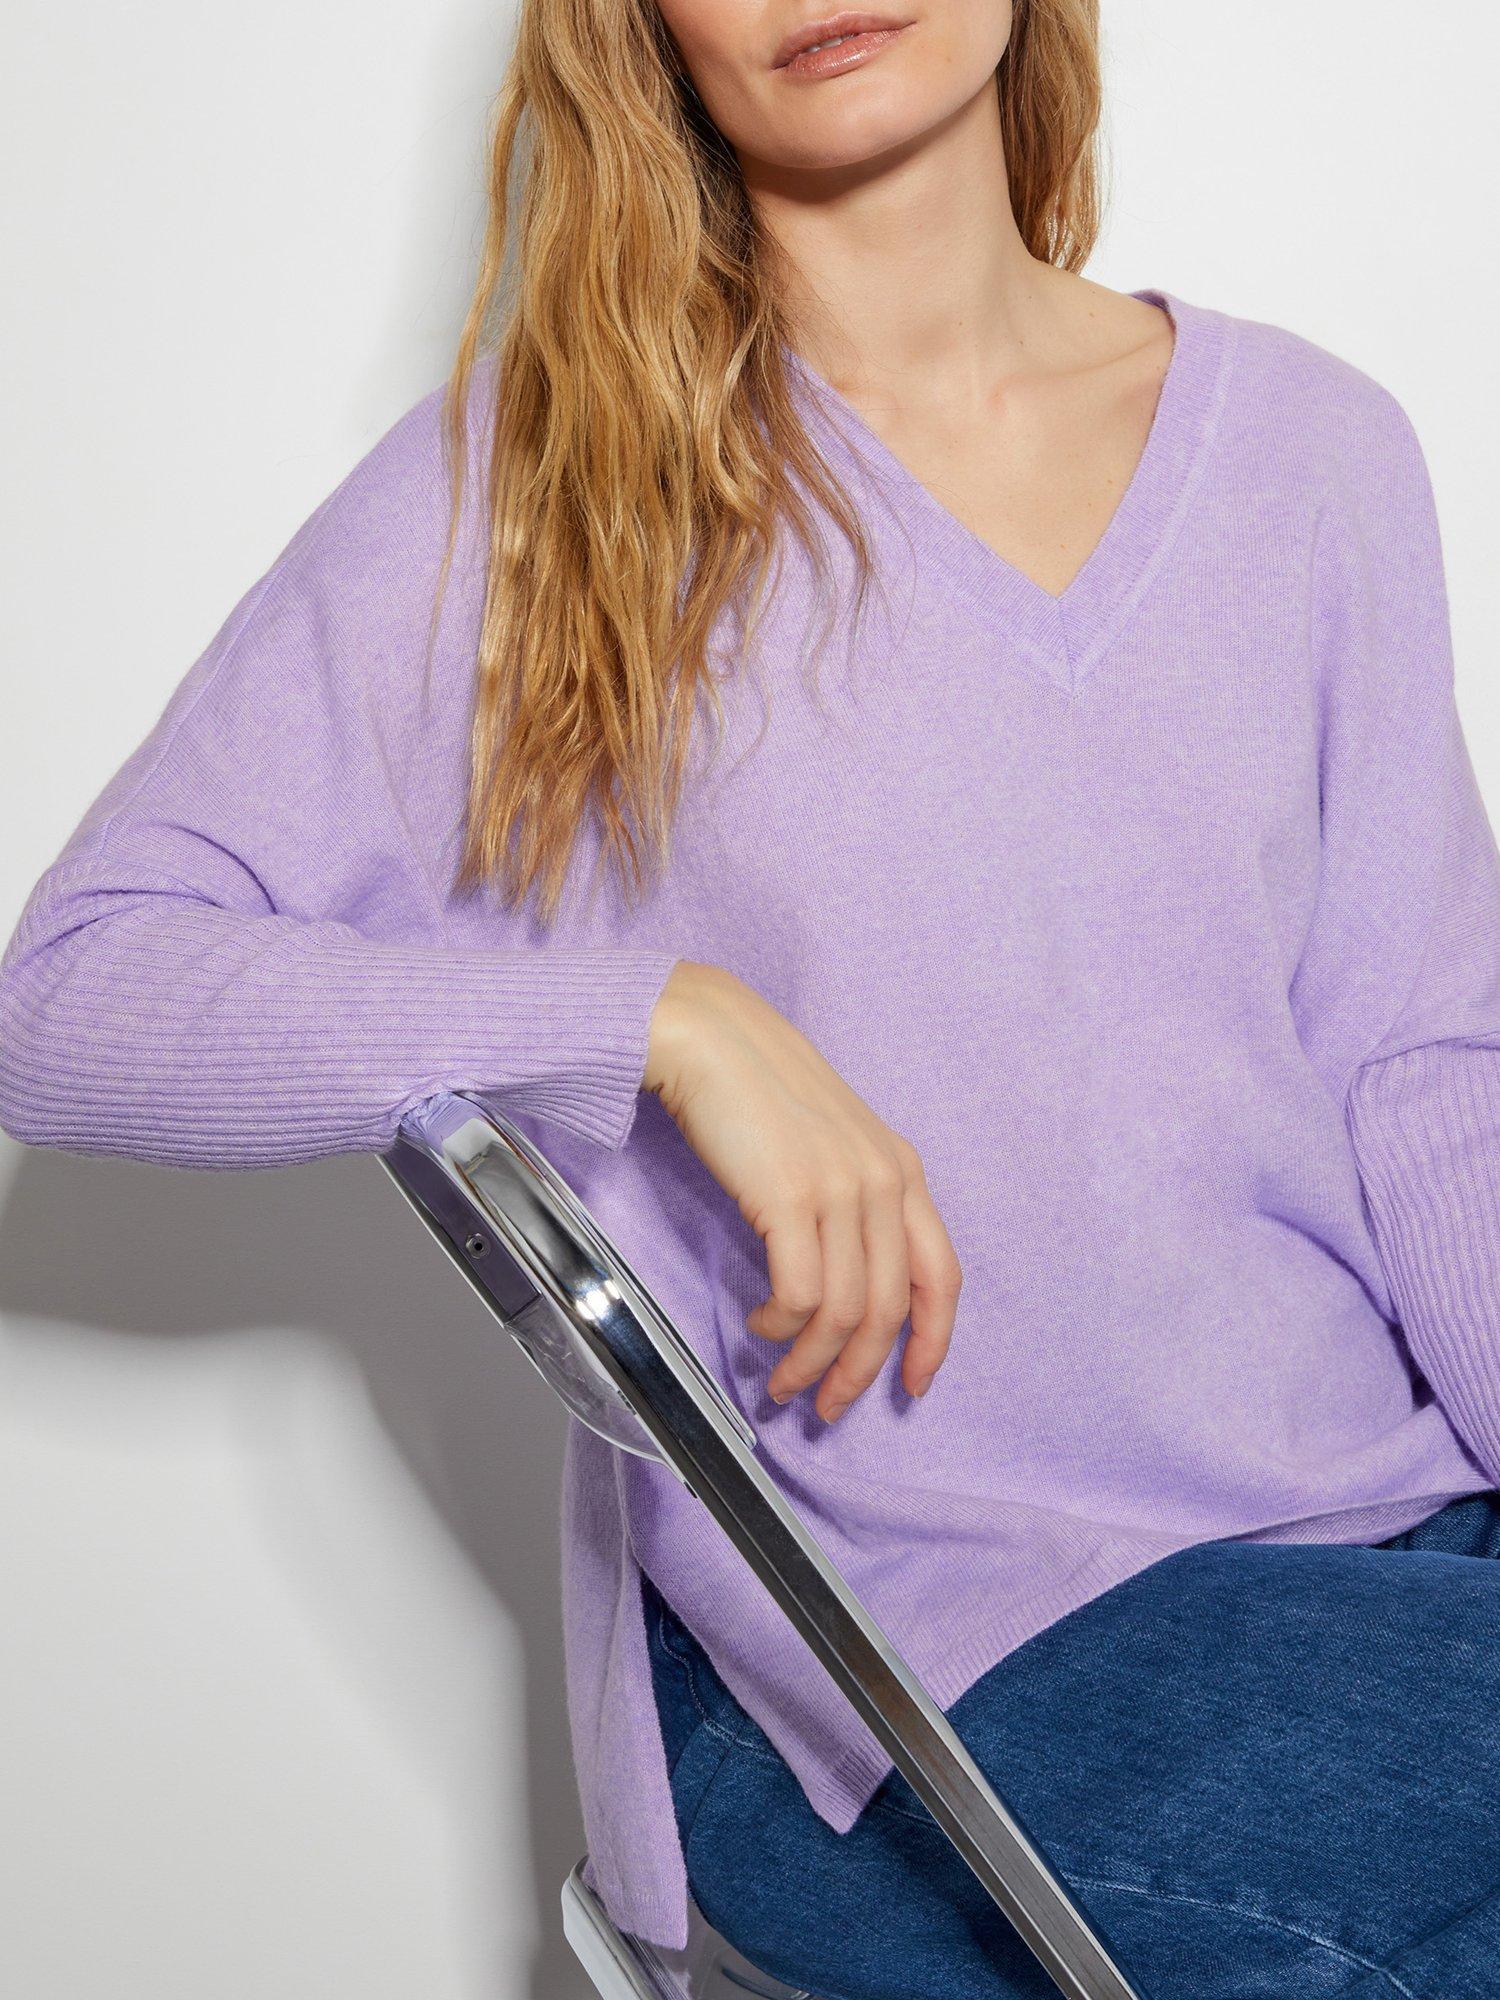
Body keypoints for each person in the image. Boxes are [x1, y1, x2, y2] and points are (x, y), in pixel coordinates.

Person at [3, 2, 1498, 1993]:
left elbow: (1428, 1070)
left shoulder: (1314, 450)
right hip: (892, 1665)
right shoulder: (541, 486)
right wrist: (658, 1024)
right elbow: (76, 990)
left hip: (1391, 1549)